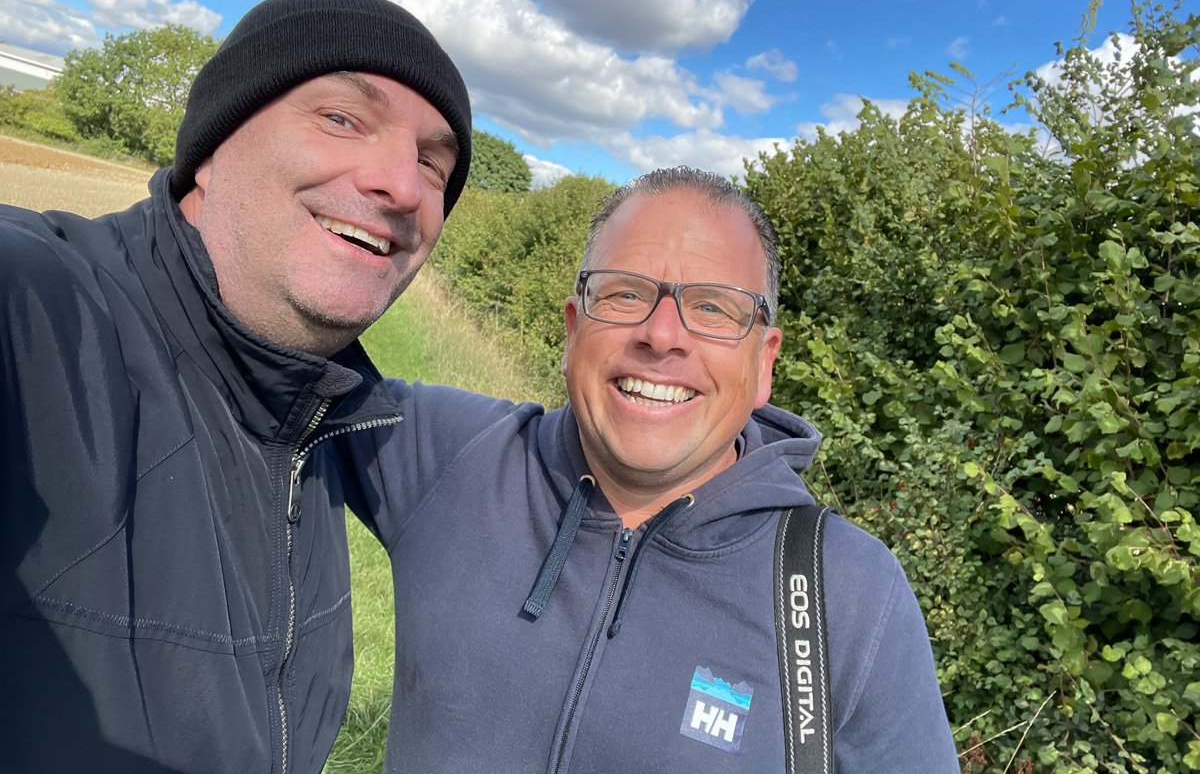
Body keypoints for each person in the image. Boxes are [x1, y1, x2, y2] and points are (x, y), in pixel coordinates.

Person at [341, 166, 960, 772]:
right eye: (626, 294)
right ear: (573, 329)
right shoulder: (448, 453)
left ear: (763, 363)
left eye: (714, 308)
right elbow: (289, 351)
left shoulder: (847, 595)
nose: (661, 335)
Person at [0, 0, 470, 773]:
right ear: (213, 147)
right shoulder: (39, 308)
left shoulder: (315, 422)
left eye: (433, 162)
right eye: (341, 118)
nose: (404, 186)